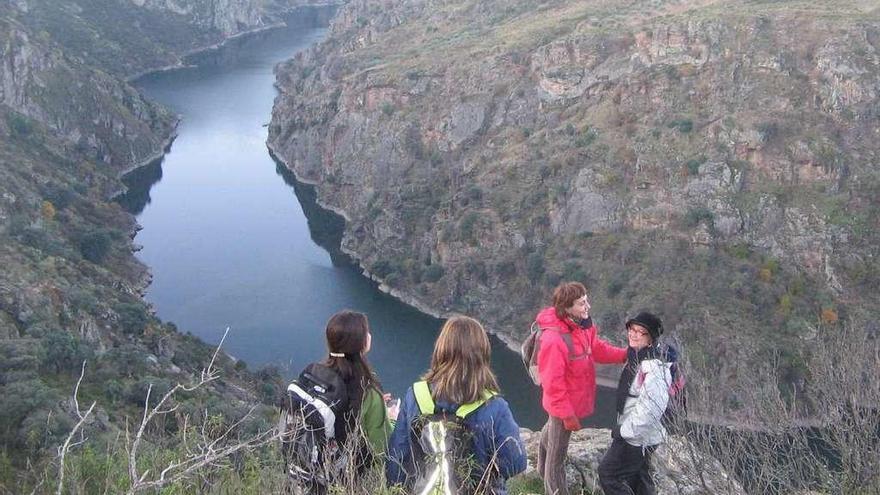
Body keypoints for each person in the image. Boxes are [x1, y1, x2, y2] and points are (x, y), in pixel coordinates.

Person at [386, 315, 527, 494]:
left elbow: (397, 457)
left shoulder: (415, 396)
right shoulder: (495, 407)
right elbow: (515, 463)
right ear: (482, 354)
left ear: (441, 349)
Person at [536, 282, 627, 495]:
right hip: (563, 406)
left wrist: (624, 354)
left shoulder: (582, 327)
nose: (588, 307)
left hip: (573, 400)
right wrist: (567, 415)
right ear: (567, 308)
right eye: (581, 303)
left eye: (587, 301)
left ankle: (541, 468)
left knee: (551, 436)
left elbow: (596, 349)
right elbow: (553, 383)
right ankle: (554, 490)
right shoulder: (554, 339)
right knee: (557, 458)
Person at [598, 312, 672, 495]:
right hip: (642, 434)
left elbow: (650, 410)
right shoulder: (637, 357)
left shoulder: (654, 367)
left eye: (641, 332)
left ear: (651, 339)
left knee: (608, 473)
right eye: (632, 329)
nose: (634, 334)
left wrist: (623, 432)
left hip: (638, 436)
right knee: (639, 479)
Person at [322, 310, 396, 460]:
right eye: (366, 331)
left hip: (308, 469)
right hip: (344, 476)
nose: (369, 335)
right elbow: (383, 447)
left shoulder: (317, 374)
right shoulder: (365, 389)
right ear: (362, 343)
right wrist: (390, 417)